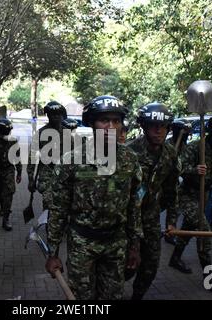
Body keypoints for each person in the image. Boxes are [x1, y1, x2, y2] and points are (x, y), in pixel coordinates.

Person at [45, 95, 143, 300]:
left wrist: (134, 245)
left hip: (116, 244)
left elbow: (134, 205)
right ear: (91, 123)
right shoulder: (71, 161)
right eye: (104, 120)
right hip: (82, 244)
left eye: (116, 121)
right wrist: (52, 252)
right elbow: (58, 209)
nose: (110, 126)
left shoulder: (129, 160)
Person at [168, 111, 212, 294]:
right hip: (187, 195)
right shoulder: (195, 147)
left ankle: (175, 259)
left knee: (188, 230)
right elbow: (177, 168)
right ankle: (210, 279)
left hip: (204, 195)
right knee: (203, 232)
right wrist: (194, 170)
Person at [126, 102, 180, 300]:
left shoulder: (170, 154)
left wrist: (171, 220)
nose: (158, 130)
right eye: (153, 125)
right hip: (127, 220)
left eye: (163, 126)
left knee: (150, 266)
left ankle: (136, 297)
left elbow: (172, 190)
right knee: (125, 267)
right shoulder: (129, 153)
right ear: (143, 126)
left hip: (150, 220)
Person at [27, 101, 66, 210]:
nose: (56, 117)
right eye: (53, 114)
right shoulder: (40, 134)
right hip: (47, 174)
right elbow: (32, 157)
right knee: (49, 205)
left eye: (58, 114)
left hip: (64, 174)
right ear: (48, 115)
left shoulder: (67, 133)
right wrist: (30, 179)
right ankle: (49, 224)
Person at [162, 118, 192, 245]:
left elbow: (184, 165)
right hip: (162, 183)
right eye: (182, 133)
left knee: (173, 207)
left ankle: (170, 231)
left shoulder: (185, 147)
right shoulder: (167, 145)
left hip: (176, 182)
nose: (185, 136)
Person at [0, 118, 22, 231]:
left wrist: (19, 172)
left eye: (9, 132)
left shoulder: (13, 141)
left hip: (8, 170)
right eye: (5, 132)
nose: (8, 134)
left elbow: (17, 157)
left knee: (8, 193)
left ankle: (6, 218)